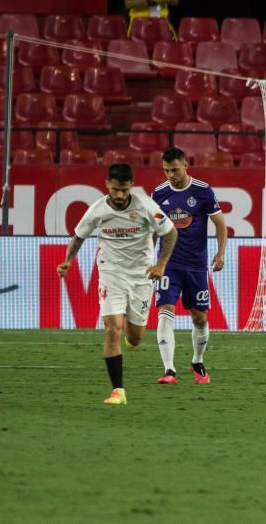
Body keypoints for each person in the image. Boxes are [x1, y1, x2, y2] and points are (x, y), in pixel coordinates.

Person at [56, 163, 177, 405]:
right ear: (107, 185)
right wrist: (68, 260)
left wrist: (161, 264)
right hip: (110, 273)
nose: (120, 195)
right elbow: (79, 236)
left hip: (142, 276)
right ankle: (118, 391)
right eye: (115, 189)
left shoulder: (145, 206)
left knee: (135, 337)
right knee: (112, 328)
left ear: (131, 185)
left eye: (124, 189)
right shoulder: (97, 210)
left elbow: (171, 232)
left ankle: (131, 339)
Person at [151, 148, 228, 385]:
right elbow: (153, 230)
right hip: (169, 264)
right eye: (166, 170)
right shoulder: (159, 193)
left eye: (175, 169)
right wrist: (150, 261)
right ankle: (169, 370)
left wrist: (221, 252)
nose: (171, 175)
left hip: (196, 265)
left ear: (186, 164)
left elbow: (220, 224)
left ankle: (197, 360)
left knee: (200, 317)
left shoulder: (203, 191)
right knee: (165, 310)